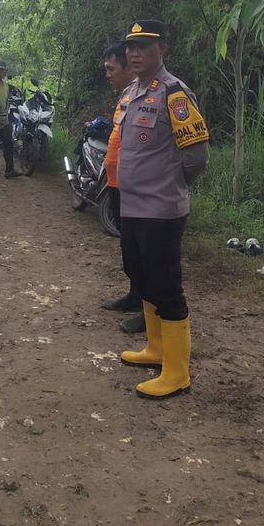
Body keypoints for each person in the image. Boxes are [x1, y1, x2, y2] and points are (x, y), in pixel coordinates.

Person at [116, 20, 209, 399]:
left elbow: (197, 156)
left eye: (143, 46)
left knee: (166, 287)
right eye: (130, 47)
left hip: (161, 209)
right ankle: (155, 349)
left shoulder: (175, 94)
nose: (134, 53)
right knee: (142, 277)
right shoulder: (131, 92)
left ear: (163, 49)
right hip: (132, 207)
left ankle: (177, 373)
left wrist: (170, 185)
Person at [97, 43, 143, 331]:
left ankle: (149, 311)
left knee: (141, 249)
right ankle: (134, 295)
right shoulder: (127, 95)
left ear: (128, 67)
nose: (108, 75)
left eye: (111, 69)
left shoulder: (146, 96)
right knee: (128, 247)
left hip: (133, 187)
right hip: (116, 182)